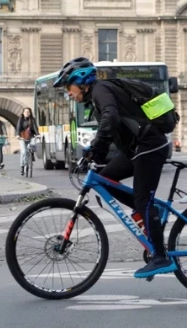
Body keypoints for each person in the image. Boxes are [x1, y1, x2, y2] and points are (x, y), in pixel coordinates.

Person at [54, 57, 174, 279]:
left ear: (80, 81)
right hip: (135, 149)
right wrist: (96, 155)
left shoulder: (101, 90)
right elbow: (115, 125)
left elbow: (111, 117)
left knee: (142, 199)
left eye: (68, 87)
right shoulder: (99, 93)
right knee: (104, 179)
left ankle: (161, 257)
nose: (68, 93)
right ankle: (150, 213)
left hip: (149, 146)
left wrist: (95, 147)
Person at [16, 107, 39, 175]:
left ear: (30, 113)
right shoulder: (21, 119)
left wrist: (37, 134)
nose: (27, 113)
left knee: (34, 144)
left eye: (28, 112)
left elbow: (35, 127)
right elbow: (18, 127)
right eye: (25, 112)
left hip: (30, 136)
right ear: (23, 113)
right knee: (23, 152)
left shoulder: (32, 120)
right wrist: (17, 135)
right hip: (22, 137)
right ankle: (22, 167)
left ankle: (31, 155)